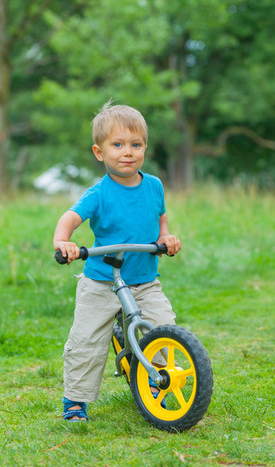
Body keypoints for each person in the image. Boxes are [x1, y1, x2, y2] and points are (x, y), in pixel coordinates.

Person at [52, 102, 181, 421]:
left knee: (165, 329)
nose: (128, 152)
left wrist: (166, 237)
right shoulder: (99, 193)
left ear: (145, 148)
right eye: (118, 145)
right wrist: (63, 241)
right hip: (102, 280)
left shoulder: (154, 185)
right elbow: (70, 217)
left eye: (136, 145)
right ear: (99, 152)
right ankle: (76, 400)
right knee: (86, 340)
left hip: (144, 280)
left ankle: (157, 384)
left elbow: (160, 217)